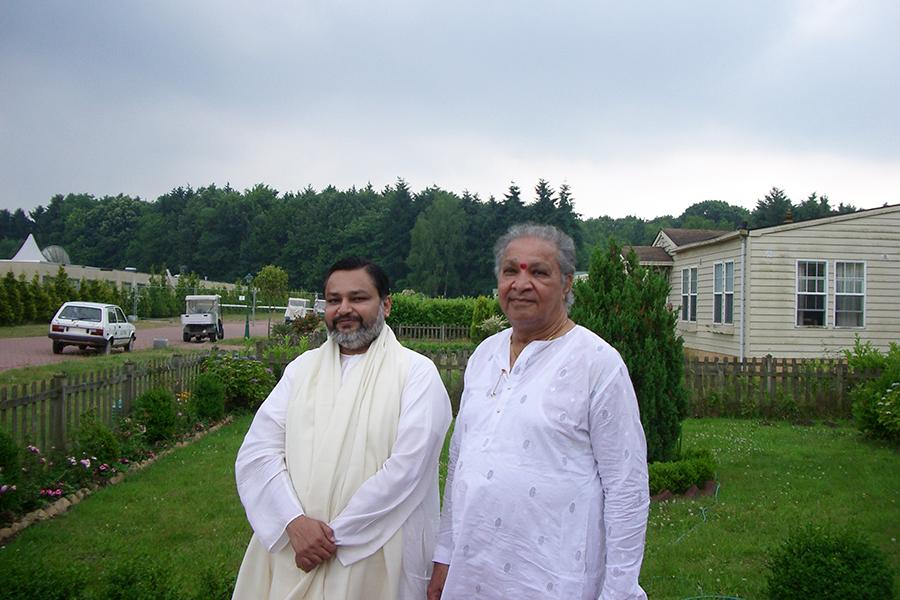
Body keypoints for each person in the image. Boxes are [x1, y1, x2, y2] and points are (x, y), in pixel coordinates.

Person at [427, 224, 650, 600]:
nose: (521, 283)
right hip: (474, 569)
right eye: (511, 271)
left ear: (566, 284)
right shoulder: (484, 355)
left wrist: (620, 590)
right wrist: (445, 555)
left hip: (554, 575)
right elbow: (460, 459)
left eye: (539, 272)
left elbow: (627, 489)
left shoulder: (597, 364)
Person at [233, 257, 452, 600]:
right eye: (334, 300)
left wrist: (329, 538)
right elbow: (258, 452)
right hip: (295, 551)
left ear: (386, 305)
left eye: (358, 298)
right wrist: (294, 524)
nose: (344, 309)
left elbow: (407, 471)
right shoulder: (301, 370)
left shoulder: (417, 374)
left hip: (376, 553)